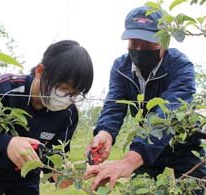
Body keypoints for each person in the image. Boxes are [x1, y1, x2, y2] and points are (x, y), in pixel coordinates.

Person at [84, 6, 206, 194]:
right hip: (146, 141)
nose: (140, 49)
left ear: (164, 41)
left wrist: (129, 161)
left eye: (148, 43)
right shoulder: (121, 67)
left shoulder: (181, 66)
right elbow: (114, 106)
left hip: (184, 144)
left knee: (195, 188)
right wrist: (105, 134)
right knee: (140, 189)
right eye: (134, 42)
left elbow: (168, 113)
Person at [0, 40, 93, 195]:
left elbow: (55, 155)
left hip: (26, 178)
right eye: (62, 88)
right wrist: (5, 143)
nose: (67, 98)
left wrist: (60, 173)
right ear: (40, 71)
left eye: (75, 94)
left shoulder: (68, 114)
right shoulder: (4, 89)